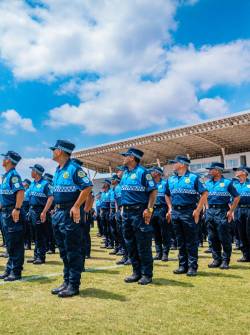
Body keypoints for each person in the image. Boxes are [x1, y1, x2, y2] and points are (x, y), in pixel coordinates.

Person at [49, 140, 92, 298]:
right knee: (63, 250)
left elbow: (87, 186)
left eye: (54, 150)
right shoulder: (58, 170)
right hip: (59, 214)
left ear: (60, 151)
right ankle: (66, 281)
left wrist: (76, 206)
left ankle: (73, 284)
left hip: (69, 214)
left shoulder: (74, 168)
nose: (52, 152)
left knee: (72, 250)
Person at [120, 148, 157, 285]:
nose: (123, 158)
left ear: (132, 157)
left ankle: (147, 274)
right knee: (130, 244)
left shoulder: (143, 172)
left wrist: (149, 209)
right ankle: (136, 272)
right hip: (127, 213)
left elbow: (153, 191)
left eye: (126, 156)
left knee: (143, 244)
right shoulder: (125, 174)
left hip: (139, 212)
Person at [166, 155, 208, 276]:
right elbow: (167, 195)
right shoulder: (171, 179)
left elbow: (204, 193)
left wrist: (198, 210)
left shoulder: (194, 178)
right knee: (180, 241)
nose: (173, 164)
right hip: (176, 213)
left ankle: (192, 267)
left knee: (191, 241)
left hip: (189, 212)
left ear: (182, 164)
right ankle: (182, 266)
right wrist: (170, 208)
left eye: (175, 163)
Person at [205, 162, 240, 269]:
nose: (209, 171)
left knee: (224, 237)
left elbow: (237, 197)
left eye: (211, 169)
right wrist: (207, 208)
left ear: (218, 170)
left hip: (222, 211)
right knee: (212, 237)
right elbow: (204, 196)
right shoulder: (207, 183)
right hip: (210, 211)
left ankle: (225, 260)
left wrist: (231, 211)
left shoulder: (227, 183)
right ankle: (216, 259)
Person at [0, 151, 25, 281]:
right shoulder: (6, 176)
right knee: (9, 243)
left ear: (9, 160)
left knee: (15, 243)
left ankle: (16, 271)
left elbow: (20, 192)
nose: (2, 160)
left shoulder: (14, 175)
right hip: (4, 213)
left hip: (11, 212)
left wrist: (17, 208)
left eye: (4, 158)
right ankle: (9, 269)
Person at [150, 166, 171, 262]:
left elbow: (169, 196)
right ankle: (159, 253)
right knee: (156, 233)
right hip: (153, 210)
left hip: (162, 209)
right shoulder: (151, 184)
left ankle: (165, 253)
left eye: (153, 171)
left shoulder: (165, 183)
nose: (151, 173)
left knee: (165, 232)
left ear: (158, 173)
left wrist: (169, 210)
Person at [232, 166, 250, 262]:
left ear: (244, 172)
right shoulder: (235, 185)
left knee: (249, 233)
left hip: (249, 210)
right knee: (241, 234)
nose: (236, 172)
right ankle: (246, 256)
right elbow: (232, 200)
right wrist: (232, 211)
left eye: (238, 171)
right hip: (238, 210)